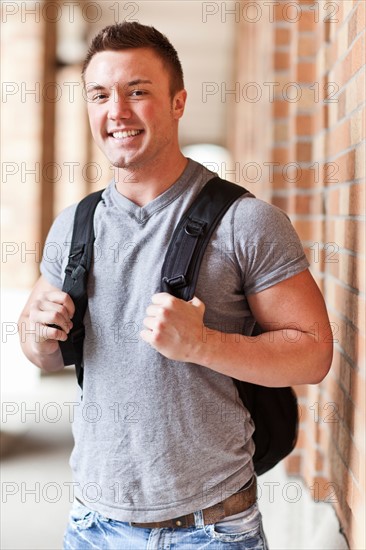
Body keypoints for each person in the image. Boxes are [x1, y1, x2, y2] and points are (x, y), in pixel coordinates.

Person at [18, 22, 333, 550]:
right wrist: (38, 337)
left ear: (178, 101)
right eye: (100, 94)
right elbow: (45, 356)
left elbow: (313, 354)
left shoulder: (246, 221)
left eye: (137, 91)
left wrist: (204, 343)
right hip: (91, 525)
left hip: (210, 530)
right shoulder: (73, 225)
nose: (116, 111)